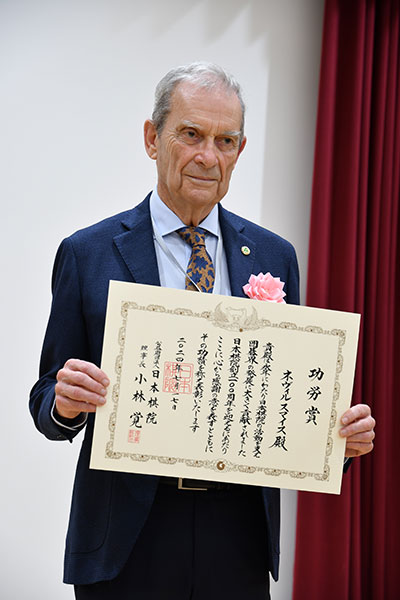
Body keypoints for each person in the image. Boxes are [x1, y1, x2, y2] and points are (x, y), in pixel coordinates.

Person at [30, 62, 375, 600]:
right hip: (127, 536)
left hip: (237, 533)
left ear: (240, 150)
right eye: (191, 134)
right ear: (153, 138)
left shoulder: (274, 256)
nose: (208, 156)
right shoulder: (88, 252)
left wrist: (338, 439)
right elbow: (46, 396)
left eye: (225, 140)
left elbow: (280, 394)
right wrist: (65, 403)